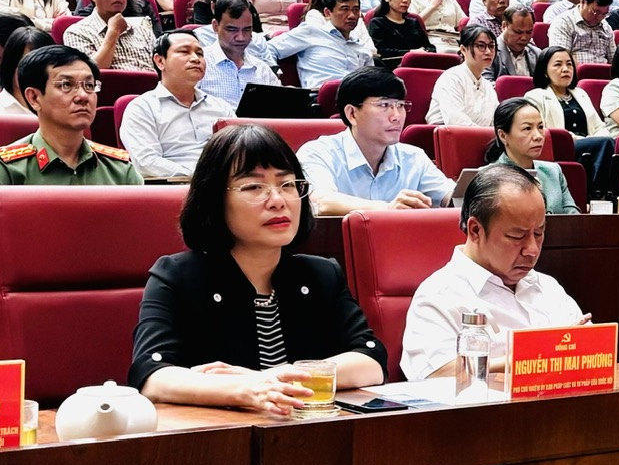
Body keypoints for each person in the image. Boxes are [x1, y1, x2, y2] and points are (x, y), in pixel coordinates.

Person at [129, 124, 385, 413]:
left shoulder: (322, 274)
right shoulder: (178, 276)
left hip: (308, 428)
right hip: (221, 432)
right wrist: (244, 390)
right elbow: (153, 376)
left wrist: (272, 377)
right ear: (214, 199)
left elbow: (371, 361)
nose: (278, 201)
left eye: (287, 185)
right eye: (253, 187)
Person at [397, 163, 588, 379]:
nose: (532, 249)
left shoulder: (548, 287)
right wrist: (532, 359)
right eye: (517, 236)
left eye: (539, 233)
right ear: (475, 230)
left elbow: (586, 349)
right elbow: (434, 376)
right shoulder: (438, 296)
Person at [0, 44, 144, 194]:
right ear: (34, 98)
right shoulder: (5, 168)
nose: (83, 96)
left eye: (89, 85)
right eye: (66, 85)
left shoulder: (119, 169)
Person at [299, 67, 451, 214]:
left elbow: (451, 196)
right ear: (352, 114)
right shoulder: (317, 153)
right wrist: (388, 209)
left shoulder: (414, 157)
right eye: (384, 105)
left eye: (400, 105)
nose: (396, 116)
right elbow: (322, 202)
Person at [119, 30, 235, 180]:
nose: (195, 59)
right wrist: (201, 178)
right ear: (160, 61)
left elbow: (240, 151)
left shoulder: (221, 107)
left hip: (225, 185)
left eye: (200, 53)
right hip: (173, 188)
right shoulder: (142, 108)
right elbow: (146, 162)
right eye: (184, 52)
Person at [526, 45, 616, 197]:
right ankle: (597, 194)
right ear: (545, 71)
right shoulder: (536, 96)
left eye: (569, 64)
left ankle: (603, 195)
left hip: (590, 144)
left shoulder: (581, 94)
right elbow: (541, 130)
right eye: (558, 65)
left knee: (609, 142)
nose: (565, 69)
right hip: (561, 146)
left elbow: (598, 125)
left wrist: (595, 138)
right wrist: (580, 139)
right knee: (605, 144)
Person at [275, 0, 378, 88]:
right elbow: (270, 49)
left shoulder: (362, 46)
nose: (352, 15)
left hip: (356, 95)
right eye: (345, 9)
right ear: (328, 13)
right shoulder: (311, 32)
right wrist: (275, 80)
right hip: (320, 94)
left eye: (355, 10)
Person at [487, 96, 578, 215]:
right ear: (503, 136)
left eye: (540, 127)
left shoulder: (553, 172)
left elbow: (573, 218)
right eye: (527, 128)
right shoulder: (487, 177)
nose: (538, 136)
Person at [68, 0, 160, 73]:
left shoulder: (144, 32)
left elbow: (162, 70)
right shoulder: (77, 32)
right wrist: (113, 32)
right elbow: (90, 72)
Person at [428, 25, 500, 128]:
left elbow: (496, 122)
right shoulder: (451, 79)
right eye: (481, 46)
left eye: (491, 46)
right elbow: (456, 121)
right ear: (463, 49)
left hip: (482, 136)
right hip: (445, 135)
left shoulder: (488, 87)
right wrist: (487, 135)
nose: (488, 52)